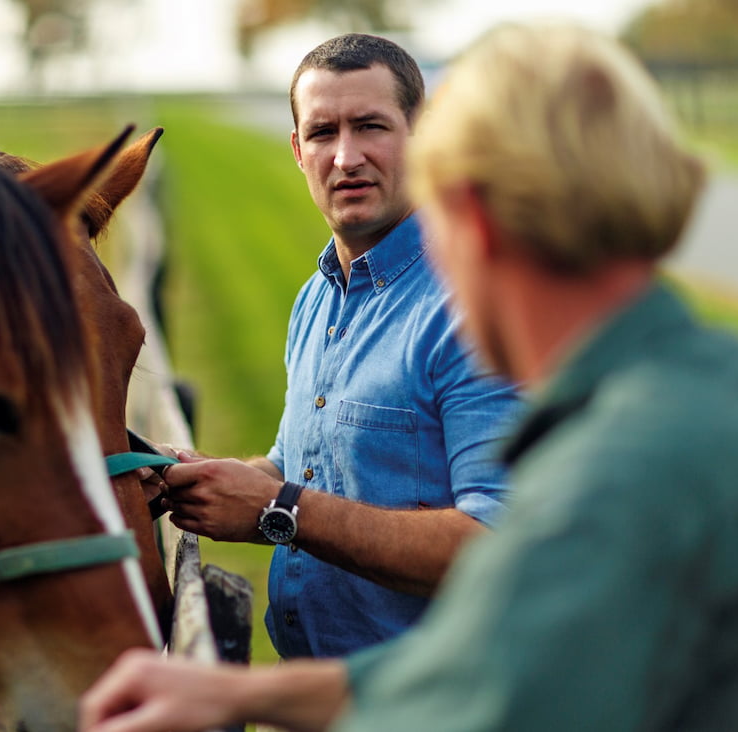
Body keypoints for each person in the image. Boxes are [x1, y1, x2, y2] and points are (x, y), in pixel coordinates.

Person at [81, 21, 738, 732]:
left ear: (472, 221)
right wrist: (245, 698)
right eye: (325, 135)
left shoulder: (611, 462)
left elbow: (488, 686)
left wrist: (280, 521)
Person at [155, 33, 521, 660]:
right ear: (298, 151)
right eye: (323, 133)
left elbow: (498, 545)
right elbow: (302, 463)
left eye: (371, 126)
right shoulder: (317, 298)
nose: (346, 157)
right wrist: (206, 475)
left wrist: (276, 507)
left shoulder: (474, 308)